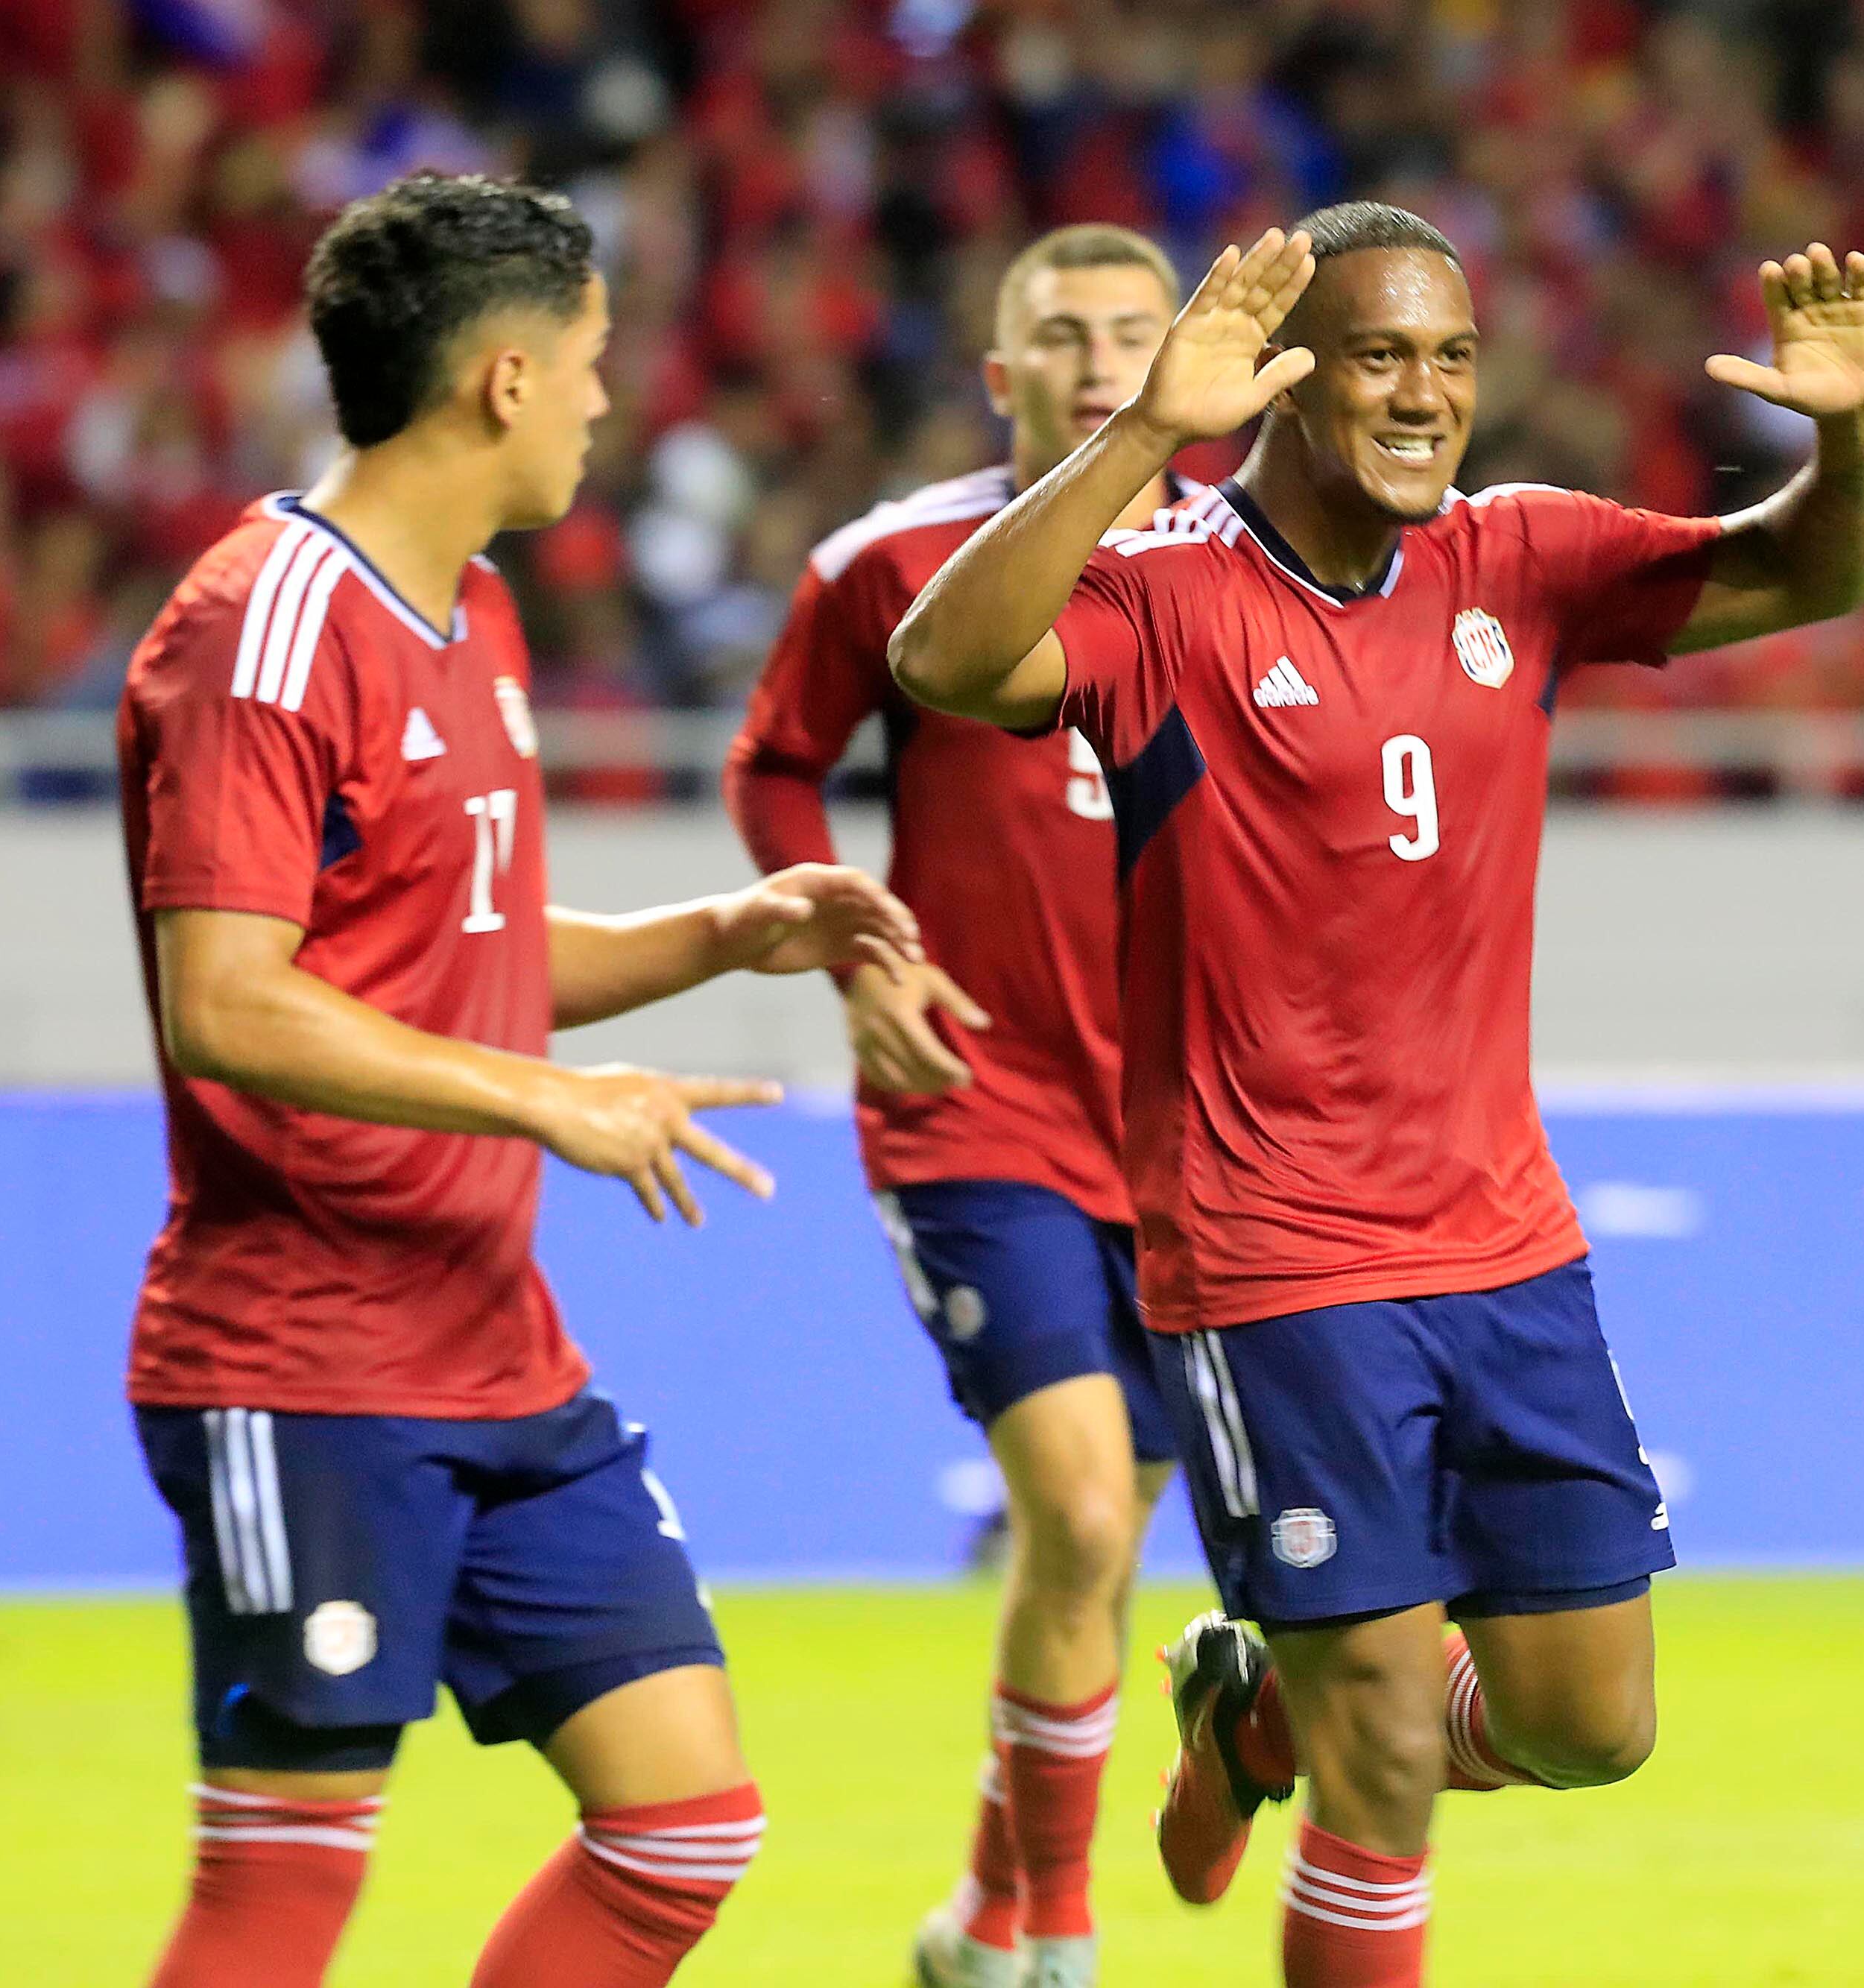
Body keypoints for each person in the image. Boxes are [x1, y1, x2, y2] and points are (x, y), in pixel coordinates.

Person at [889, 204, 1864, 1987]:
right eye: (1377, 357)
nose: (1424, 395)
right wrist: (1139, 435)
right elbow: (944, 666)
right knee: (1386, 1772)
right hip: (1274, 1261)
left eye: (1450, 358)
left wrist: (1855, 427)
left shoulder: (1523, 559)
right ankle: (1306, 1718)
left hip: (1505, 1245)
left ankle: (1255, 1709)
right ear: (1284, 382)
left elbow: (1812, 574)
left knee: (1589, 1724)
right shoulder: (1165, 598)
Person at [116, 171, 923, 1988]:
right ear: (500, 377)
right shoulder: (258, 632)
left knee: (683, 1820)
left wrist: (722, 929)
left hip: (492, 1342)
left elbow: (455, 950)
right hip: (301, 1355)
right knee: (280, 1888)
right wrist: (548, 1101)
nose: (604, 403)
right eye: (591, 362)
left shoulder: (467, 609)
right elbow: (228, 1002)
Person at [722, 223, 1193, 1988]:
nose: (1094, 362)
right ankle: (1056, 1940)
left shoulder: (1252, 569)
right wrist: (852, 946)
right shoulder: (893, 561)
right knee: (1075, 1514)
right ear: (999, 376)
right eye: (1058, 336)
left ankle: (980, 1912)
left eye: (1130, 334)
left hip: (1187, 1136)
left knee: (1097, 1545)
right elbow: (776, 759)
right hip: (973, 1097)